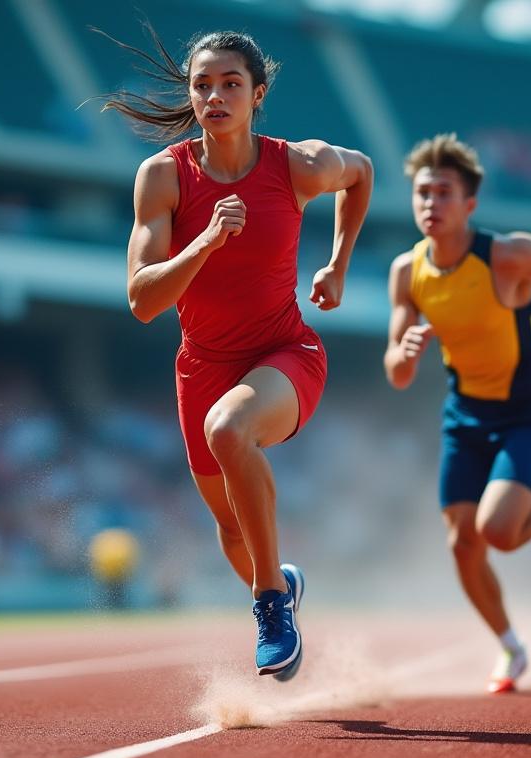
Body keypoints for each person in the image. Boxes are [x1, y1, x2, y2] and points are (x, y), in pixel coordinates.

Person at [99, 23, 373, 680]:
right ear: (191, 96)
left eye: (230, 84)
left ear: (258, 94)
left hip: (285, 352)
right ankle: (278, 580)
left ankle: (271, 602)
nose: (215, 96)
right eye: (203, 85)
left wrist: (337, 264)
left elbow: (360, 173)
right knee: (229, 528)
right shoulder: (163, 178)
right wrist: (203, 244)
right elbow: (141, 300)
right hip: (202, 365)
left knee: (231, 430)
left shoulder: (297, 166)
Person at [385, 134, 531, 693]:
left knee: (499, 533)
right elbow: (396, 371)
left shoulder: (505, 255)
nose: (430, 204)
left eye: (443, 193)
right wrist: (404, 353)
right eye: (421, 193)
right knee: (462, 544)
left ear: (469, 206)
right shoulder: (406, 273)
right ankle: (511, 647)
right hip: (465, 415)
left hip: (525, 413)